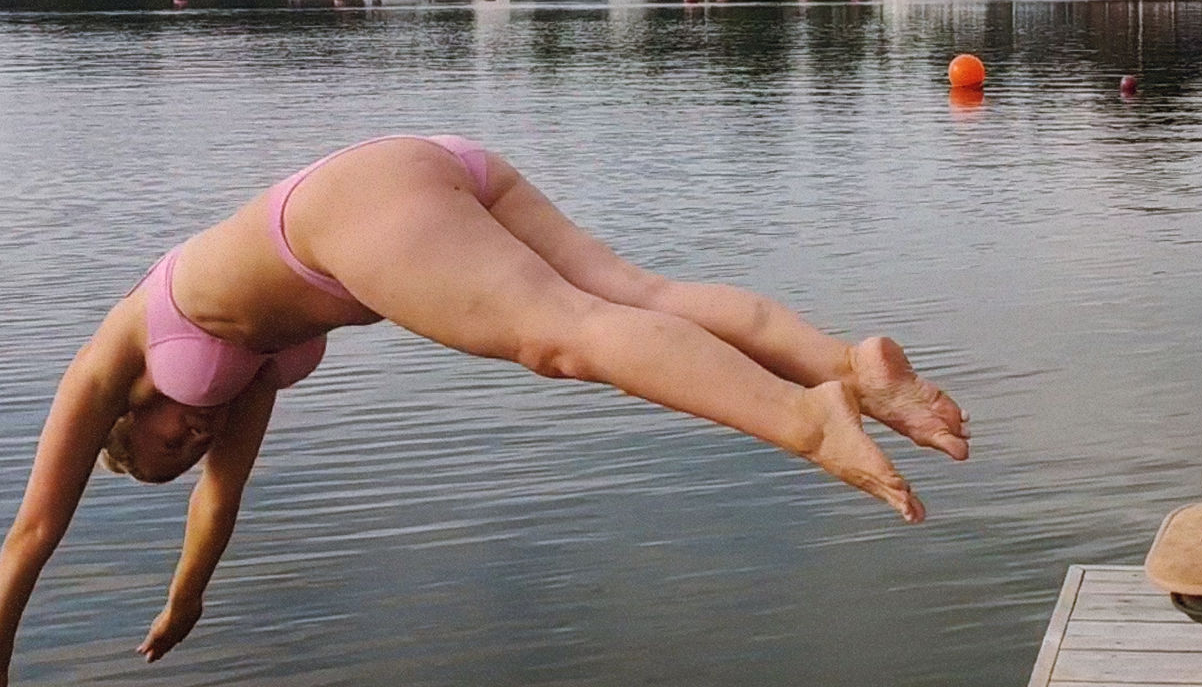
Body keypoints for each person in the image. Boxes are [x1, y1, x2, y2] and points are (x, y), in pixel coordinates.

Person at [0, 135, 970, 676]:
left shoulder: (107, 358)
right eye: (188, 447)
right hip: (422, 167)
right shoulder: (242, 369)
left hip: (348, 212)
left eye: (168, 444)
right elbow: (222, 497)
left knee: (564, 336)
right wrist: (185, 600)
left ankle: (810, 419)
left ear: (127, 421)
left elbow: (31, 535)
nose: (194, 437)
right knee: (641, 297)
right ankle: (851, 368)